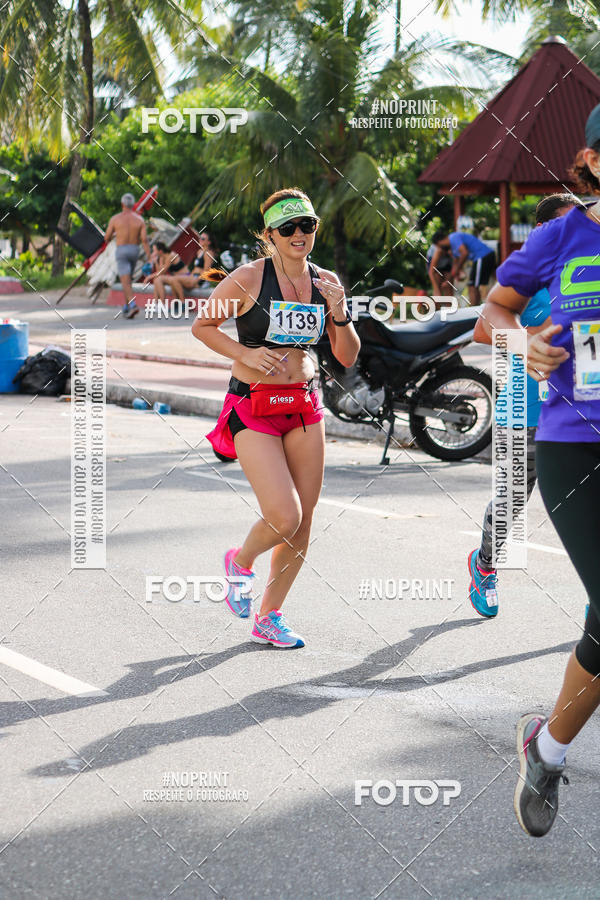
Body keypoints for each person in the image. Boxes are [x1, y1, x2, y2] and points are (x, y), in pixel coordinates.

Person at [478, 102, 600, 838]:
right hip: (572, 442)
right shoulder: (561, 236)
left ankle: (546, 750)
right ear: (591, 163)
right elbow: (490, 314)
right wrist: (521, 344)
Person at [191, 188, 359, 648]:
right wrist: (246, 350)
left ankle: (270, 616)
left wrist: (340, 311)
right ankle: (240, 561)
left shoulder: (325, 281)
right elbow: (203, 326)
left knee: (304, 523)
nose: (299, 235)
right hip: (253, 405)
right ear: (270, 235)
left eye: (307, 226)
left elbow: (346, 356)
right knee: (284, 515)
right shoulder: (247, 278)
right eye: (288, 228)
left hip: (304, 405)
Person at [467, 193, 585, 617]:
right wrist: (531, 337)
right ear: (544, 231)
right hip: (525, 408)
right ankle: (485, 565)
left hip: (581, 409)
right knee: (514, 498)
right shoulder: (534, 275)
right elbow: (483, 330)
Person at [104, 193, 151, 319]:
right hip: (134, 250)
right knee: (127, 281)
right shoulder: (139, 220)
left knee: (125, 281)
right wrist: (149, 257)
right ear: (132, 205)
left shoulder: (115, 219)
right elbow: (144, 240)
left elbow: (107, 238)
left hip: (122, 250)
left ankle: (133, 305)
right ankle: (126, 307)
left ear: (122, 204)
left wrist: (116, 234)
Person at [432, 227, 496, 305]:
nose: (440, 248)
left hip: (483, 256)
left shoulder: (453, 238)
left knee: (472, 286)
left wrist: (457, 269)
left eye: (439, 246)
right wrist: (449, 279)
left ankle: (474, 309)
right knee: (474, 285)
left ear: (440, 241)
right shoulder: (453, 247)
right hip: (483, 257)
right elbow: (455, 265)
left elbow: (464, 253)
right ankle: (476, 306)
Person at [170, 232, 220, 302]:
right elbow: (196, 268)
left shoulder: (209, 253)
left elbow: (206, 270)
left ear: (208, 242)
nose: (200, 240)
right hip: (194, 276)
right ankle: (177, 302)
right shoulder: (199, 252)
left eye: (203, 239)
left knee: (174, 280)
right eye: (199, 238)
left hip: (201, 280)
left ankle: (182, 303)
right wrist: (190, 276)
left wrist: (196, 281)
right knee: (173, 280)